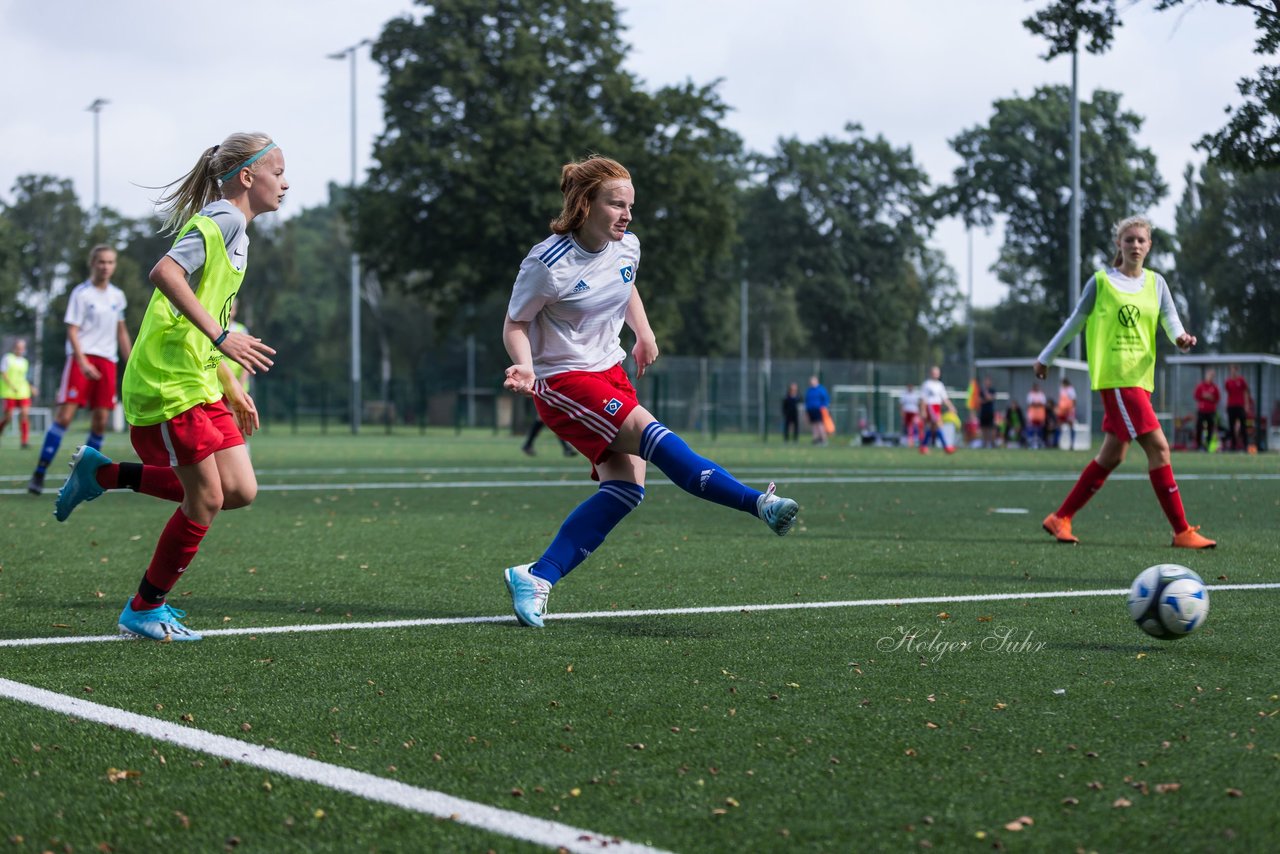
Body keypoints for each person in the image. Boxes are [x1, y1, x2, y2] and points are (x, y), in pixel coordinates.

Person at [500, 155, 798, 628]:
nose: (626, 215)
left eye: (630, 206)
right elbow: (516, 321)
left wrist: (644, 332)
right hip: (564, 380)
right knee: (654, 436)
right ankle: (757, 503)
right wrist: (525, 366)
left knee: (625, 489)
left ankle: (537, 576)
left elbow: (626, 285)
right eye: (616, 204)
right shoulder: (547, 262)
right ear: (585, 204)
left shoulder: (628, 247)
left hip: (609, 371)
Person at [53, 132, 285, 641]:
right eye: (278, 172)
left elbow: (205, 308)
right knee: (204, 500)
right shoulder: (224, 217)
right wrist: (223, 339)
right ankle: (143, 608)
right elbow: (165, 273)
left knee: (239, 491)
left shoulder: (240, 230)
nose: (285, 184)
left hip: (198, 378)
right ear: (248, 177)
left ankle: (104, 474)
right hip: (168, 381)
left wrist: (228, 380)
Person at [1037, 215, 1215, 549]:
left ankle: (1059, 518)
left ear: (1149, 246)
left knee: (1113, 455)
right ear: (1119, 244)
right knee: (1160, 448)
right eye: (1128, 239)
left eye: (1141, 240)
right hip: (1118, 378)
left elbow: (1170, 319)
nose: (1135, 245)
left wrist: (1181, 339)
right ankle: (1182, 531)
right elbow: (1075, 322)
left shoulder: (1156, 283)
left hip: (1140, 378)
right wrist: (1046, 357)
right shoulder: (1102, 282)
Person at [27, 245, 132, 494]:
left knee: (100, 422)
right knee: (64, 417)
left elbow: (121, 331)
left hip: (107, 362)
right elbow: (72, 330)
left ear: (114, 265)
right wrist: (82, 362)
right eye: (101, 262)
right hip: (81, 359)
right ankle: (39, 472)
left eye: (110, 262)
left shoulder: (118, 296)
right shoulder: (81, 293)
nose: (105, 266)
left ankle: (83, 476)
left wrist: (131, 362)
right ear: (92, 264)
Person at [1, 338, 33, 449]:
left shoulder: (25, 362)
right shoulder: (7, 358)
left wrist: (31, 387)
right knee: (8, 417)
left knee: (24, 414)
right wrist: (11, 385)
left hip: (23, 392)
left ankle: (24, 441)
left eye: (22, 348)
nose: (21, 350)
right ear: (14, 348)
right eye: (19, 348)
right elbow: (3, 373)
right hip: (9, 392)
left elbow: (24, 378)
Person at [919, 366, 956, 454]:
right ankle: (946, 447)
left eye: (937, 373)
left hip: (937, 407)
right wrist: (923, 410)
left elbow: (944, 398)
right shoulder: (927, 384)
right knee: (939, 425)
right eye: (934, 372)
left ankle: (923, 447)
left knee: (932, 428)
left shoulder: (940, 385)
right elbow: (923, 399)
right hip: (930, 407)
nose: (936, 374)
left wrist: (951, 406)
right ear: (931, 373)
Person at [1224, 364, 1251, 451]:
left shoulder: (1241, 380)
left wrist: (1246, 405)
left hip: (1240, 406)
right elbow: (1228, 394)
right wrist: (1226, 405)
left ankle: (1246, 445)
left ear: (1236, 370)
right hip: (1231, 406)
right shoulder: (1228, 382)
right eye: (1231, 370)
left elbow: (1246, 392)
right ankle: (1233, 446)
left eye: (1234, 370)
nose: (1233, 371)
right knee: (1231, 426)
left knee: (1243, 426)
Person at [1192, 367, 1220, 451]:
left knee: (1210, 429)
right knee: (1199, 427)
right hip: (1201, 410)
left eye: (1212, 375)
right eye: (1209, 375)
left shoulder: (1214, 387)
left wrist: (1210, 398)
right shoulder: (1201, 386)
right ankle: (1199, 445)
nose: (1210, 377)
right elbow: (1196, 396)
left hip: (1211, 411)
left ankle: (1208, 445)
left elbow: (1217, 398)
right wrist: (1204, 396)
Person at [805, 375, 829, 445]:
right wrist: (807, 410)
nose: (812, 382)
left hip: (819, 410)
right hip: (811, 410)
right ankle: (815, 439)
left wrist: (823, 407)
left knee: (820, 424)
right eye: (811, 381)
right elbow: (807, 400)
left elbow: (826, 399)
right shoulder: (809, 390)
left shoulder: (821, 389)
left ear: (817, 381)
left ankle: (824, 439)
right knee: (813, 425)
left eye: (813, 380)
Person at [1055, 377, 1078, 450]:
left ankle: (1072, 444)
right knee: (1059, 425)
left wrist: (1072, 410)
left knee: (1071, 426)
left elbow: (1074, 400)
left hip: (1069, 411)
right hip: (1062, 411)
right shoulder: (1062, 389)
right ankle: (1057, 443)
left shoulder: (1071, 389)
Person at [1025, 383, 1048, 449]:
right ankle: (1031, 443)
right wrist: (1037, 404)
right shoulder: (1030, 394)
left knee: (1039, 430)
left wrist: (1035, 404)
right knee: (1031, 429)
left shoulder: (1041, 394)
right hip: (1032, 415)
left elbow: (1043, 403)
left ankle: (1039, 443)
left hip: (1040, 415)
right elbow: (1030, 403)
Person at [977, 376, 997, 448]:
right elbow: (980, 401)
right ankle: (984, 444)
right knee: (983, 428)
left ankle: (993, 443)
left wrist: (986, 397)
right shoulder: (981, 391)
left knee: (991, 428)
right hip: (983, 412)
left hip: (990, 412)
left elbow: (992, 398)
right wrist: (987, 399)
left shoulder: (992, 390)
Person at [900, 382, 921, 447]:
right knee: (909, 427)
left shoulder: (916, 395)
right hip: (907, 412)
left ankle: (916, 441)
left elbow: (919, 404)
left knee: (916, 426)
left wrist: (919, 413)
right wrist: (902, 413)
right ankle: (909, 441)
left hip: (914, 412)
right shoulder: (904, 395)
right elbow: (902, 405)